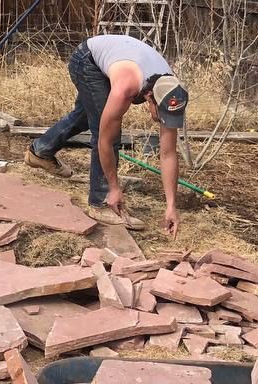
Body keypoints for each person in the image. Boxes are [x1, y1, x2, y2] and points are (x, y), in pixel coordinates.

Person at [24, 34, 189, 238]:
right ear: (149, 98)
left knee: (86, 115)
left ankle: (40, 151)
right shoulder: (125, 88)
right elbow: (105, 140)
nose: (164, 120)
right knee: (106, 129)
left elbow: (168, 154)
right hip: (86, 60)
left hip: (118, 58)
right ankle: (101, 201)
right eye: (161, 114)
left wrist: (171, 206)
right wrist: (114, 187)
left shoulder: (170, 91)